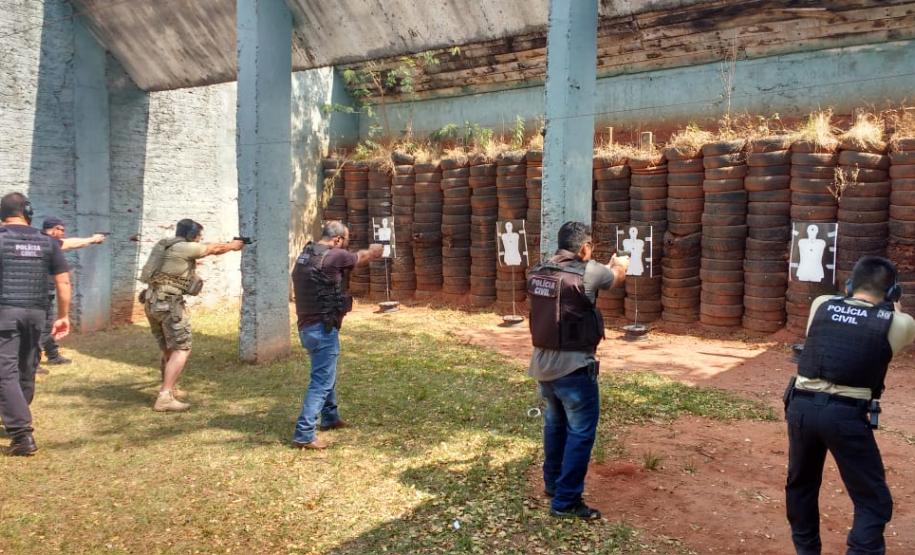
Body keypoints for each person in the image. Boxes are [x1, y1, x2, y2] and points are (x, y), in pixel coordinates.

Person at [785, 256, 915, 554]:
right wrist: (893, 302)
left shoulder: (822, 305)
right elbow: (895, 321)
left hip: (801, 409)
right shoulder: (900, 323)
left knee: (801, 486)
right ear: (893, 292)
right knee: (873, 500)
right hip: (846, 416)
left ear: (849, 283)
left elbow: (841, 307)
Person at [526, 221, 629, 519]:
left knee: (555, 425)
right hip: (573, 369)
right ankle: (566, 501)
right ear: (584, 247)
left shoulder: (539, 270)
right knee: (580, 433)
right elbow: (616, 278)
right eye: (589, 247)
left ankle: (552, 484)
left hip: (543, 367)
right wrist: (618, 263)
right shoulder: (590, 270)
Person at [290, 221, 382, 449]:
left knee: (324, 374)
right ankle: (304, 434)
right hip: (322, 328)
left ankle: (330, 417)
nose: (344, 246)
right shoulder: (334, 255)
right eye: (345, 241)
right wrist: (375, 251)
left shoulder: (306, 254)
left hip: (306, 327)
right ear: (338, 239)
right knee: (321, 381)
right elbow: (360, 257)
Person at [140, 219, 244, 412]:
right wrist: (233, 246)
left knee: (168, 348)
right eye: (198, 237)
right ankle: (164, 397)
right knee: (182, 348)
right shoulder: (183, 248)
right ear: (191, 236)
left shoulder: (165, 245)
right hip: (168, 304)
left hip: (152, 300)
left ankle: (169, 389)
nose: (199, 240)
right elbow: (212, 249)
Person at [0, 193, 71, 456]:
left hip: (5, 313)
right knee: (27, 366)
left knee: (4, 372)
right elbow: (63, 283)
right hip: (36, 314)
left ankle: (21, 435)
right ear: (28, 211)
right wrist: (63, 316)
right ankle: (18, 412)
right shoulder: (47, 242)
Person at [35, 217, 106, 372]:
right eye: (61, 230)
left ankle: (52, 355)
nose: (63, 233)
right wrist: (93, 240)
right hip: (39, 291)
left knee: (46, 324)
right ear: (54, 229)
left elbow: (69, 242)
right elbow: (70, 243)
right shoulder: (49, 242)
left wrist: (92, 240)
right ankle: (34, 363)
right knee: (43, 326)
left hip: (36, 290)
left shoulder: (39, 241)